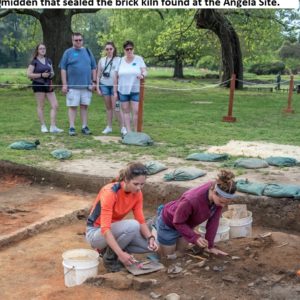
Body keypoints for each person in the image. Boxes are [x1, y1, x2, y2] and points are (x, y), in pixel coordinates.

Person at [86, 162, 158, 272]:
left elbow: (141, 220)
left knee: (150, 246)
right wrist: (121, 254)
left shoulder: (137, 194)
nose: (139, 188)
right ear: (126, 180)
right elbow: (105, 229)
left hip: (113, 232)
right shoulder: (110, 192)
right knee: (132, 225)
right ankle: (110, 259)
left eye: (142, 184)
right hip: (95, 233)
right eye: (136, 184)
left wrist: (150, 238)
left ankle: (112, 250)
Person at [156, 169, 237, 258]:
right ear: (214, 192)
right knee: (168, 257)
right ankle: (155, 234)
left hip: (186, 224)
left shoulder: (217, 189)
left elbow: (213, 221)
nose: (223, 205)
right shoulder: (191, 200)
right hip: (169, 224)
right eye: (222, 202)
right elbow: (177, 222)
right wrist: (194, 237)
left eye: (226, 203)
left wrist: (210, 246)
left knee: (180, 253)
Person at [59, 32, 97, 136]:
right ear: (72, 41)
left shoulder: (88, 52)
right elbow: (63, 69)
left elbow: (94, 67)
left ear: (82, 40)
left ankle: (84, 126)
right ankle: (72, 127)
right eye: (76, 40)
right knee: (72, 106)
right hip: (73, 86)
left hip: (86, 86)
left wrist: (94, 82)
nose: (78, 42)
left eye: (80, 40)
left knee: (84, 106)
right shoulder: (68, 52)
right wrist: (64, 84)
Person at [27, 43, 63, 134]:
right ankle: (43, 126)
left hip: (48, 84)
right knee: (41, 106)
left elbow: (53, 72)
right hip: (38, 85)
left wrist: (50, 74)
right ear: (37, 51)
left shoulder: (49, 60)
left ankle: (53, 127)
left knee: (55, 105)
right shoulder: (34, 61)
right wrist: (41, 75)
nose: (43, 50)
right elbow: (29, 74)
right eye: (41, 48)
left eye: (44, 48)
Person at [114, 40, 147, 133]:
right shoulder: (120, 61)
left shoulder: (139, 59)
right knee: (126, 111)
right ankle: (128, 132)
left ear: (133, 49)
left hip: (135, 89)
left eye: (131, 49)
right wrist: (115, 91)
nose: (129, 51)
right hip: (123, 90)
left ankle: (136, 131)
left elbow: (144, 70)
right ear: (124, 50)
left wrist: (142, 75)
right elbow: (115, 76)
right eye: (127, 49)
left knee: (136, 111)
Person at [96, 42, 126, 136]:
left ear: (114, 49)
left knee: (116, 107)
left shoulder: (119, 60)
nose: (109, 51)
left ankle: (123, 127)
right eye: (107, 49)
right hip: (104, 85)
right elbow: (98, 75)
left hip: (114, 86)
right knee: (108, 107)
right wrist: (97, 87)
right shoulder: (102, 60)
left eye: (110, 49)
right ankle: (109, 127)